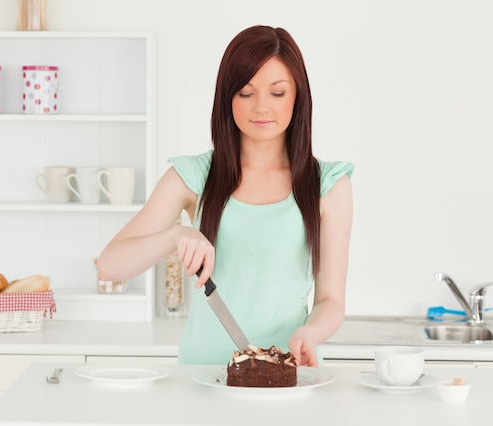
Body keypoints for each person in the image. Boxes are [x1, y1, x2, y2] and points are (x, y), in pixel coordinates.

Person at [97, 25, 354, 367]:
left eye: (277, 93)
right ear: (227, 97)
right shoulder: (193, 176)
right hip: (203, 375)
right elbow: (110, 265)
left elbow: (330, 301)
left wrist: (309, 334)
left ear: (298, 97)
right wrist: (177, 234)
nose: (261, 107)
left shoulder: (329, 186)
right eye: (246, 93)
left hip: (289, 372)